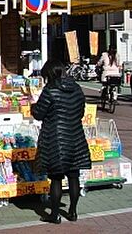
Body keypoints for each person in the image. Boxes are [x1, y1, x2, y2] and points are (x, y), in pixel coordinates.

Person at [32, 59, 91, 224]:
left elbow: (39, 113)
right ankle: (73, 212)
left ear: (50, 74)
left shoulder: (50, 90)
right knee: (74, 176)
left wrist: (32, 106)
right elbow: (81, 112)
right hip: (76, 137)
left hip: (55, 140)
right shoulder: (77, 88)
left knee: (56, 178)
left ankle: (55, 214)